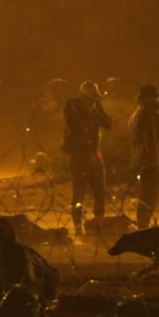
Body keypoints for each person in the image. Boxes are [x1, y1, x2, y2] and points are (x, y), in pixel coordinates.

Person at [63, 81, 112, 236]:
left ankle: (99, 225)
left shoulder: (96, 106)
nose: (94, 99)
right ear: (83, 95)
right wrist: (89, 112)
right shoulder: (71, 105)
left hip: (95, 153)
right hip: (78, 155)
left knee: (100, 192)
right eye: (91, 97)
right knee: (78, 193)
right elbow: (72, 125)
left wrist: (95, 111)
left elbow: (108, 123)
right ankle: (78, 228)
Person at [129, 85, 159, 229]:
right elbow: (150, 141)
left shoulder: (137, 114)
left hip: (141, 161)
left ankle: (142, 226)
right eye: (156, 97)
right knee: (149, 197)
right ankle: (143, 227)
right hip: (148, 163)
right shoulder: (145, 116)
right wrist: (156, 162)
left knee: (147, 196)